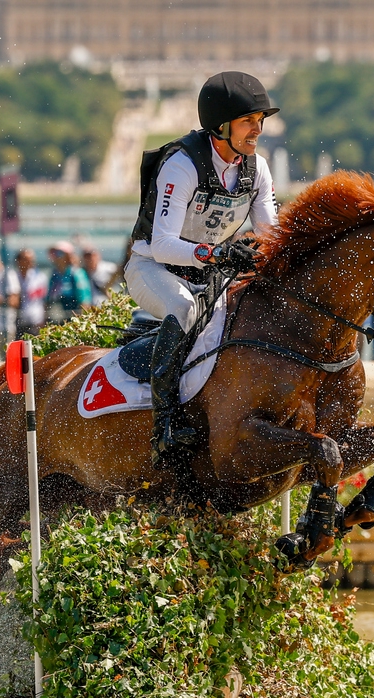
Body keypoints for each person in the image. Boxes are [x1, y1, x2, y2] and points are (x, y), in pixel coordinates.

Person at [124, 70, 280, 461]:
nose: (257, 130)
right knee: (183, 308)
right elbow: (161, 245)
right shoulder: (183, 165)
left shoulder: (256, 168)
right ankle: (165, 425)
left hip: (208, 272)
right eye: (248, 121)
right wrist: (218, 254)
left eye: (260, 121)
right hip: (153, 270)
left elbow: (270, 235)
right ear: (221, 125)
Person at [45, 241, 92, 324]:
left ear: (68, 256)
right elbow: (48, 299)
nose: (55, 256)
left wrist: (81, 323)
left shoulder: (77, 273)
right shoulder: (54, 275)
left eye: (59, 253)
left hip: (74, 321)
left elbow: (85, 301)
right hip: (56, 320)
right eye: (53, 253)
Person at [14, 248, 48, 338]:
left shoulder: (40, 277)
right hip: (17, 321)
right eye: (26, 260)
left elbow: (44, 301)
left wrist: (44, 320)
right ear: (19, 261)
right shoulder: (12, 277)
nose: (30, 262)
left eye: (31, 260)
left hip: (36, 321)